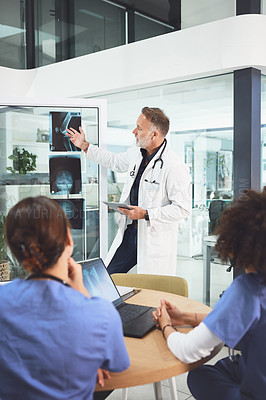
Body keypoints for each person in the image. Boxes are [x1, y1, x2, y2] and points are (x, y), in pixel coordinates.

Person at [0, 196, 129, 400]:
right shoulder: (100, 314)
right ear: (69, 241)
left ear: (15, 250)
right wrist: (82, 293)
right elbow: (118, 366)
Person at [153, 189, 266, 400]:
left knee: (199, 374)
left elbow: (187, 350)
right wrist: (187, 317)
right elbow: (241, 320)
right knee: (208, 373)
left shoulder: (249, 289)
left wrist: (166, 324)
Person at [66, 107, 191, 276]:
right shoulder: (136, 154)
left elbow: (182, 209)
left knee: (151, 290)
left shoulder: (174, 166)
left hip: (153, 238)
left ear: (154, 134)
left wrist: (146, 214)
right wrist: (85, 146)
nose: (134, 132)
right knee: (108, 277)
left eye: (139, 128)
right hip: (130, 232)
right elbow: (114, 161)